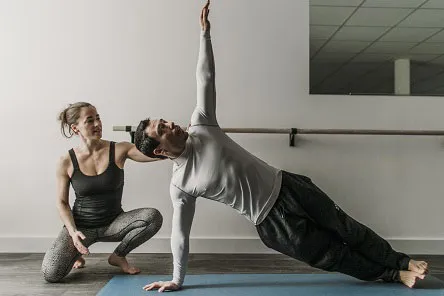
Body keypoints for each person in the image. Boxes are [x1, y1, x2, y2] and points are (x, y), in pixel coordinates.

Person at [135, 1, 428, 292]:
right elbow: (180, 234)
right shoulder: (181, 184)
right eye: (162, 129)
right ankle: (392, 274)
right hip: (272, 223)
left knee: (346, 228)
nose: (170, 124)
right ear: (159, 150)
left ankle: (402, 261)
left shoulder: (202, 124)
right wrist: (177, 279)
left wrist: (204, 35)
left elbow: (205, 78)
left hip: (289, 185)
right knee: (333, 255)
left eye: (165, 120)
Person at [41, 102, 164, 283]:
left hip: (114, 223)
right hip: (82, 228)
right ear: (76, 129)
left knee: (153, 217)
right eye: (90, 120)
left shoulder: (120, 149)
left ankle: (118, 256)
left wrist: (177, 142)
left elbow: (155, 154)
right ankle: (76, 254)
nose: (97, 124)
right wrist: (73, 232)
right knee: (51, 274)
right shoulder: (66, 161)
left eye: (98, 118)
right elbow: (62, 203)